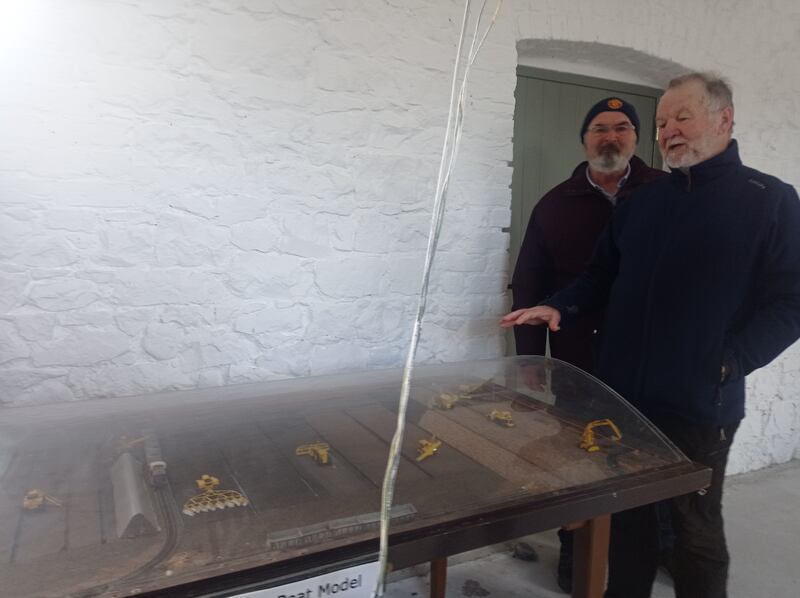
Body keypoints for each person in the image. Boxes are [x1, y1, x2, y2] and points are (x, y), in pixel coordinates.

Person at [501, 72, 800, 598]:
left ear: (724, 119)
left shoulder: (768, 201)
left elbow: (792, 301)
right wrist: (557, 305)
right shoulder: (644, 204)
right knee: (629, 523)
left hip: (699, 403)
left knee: (694, 532)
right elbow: (599, 277)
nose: (668, 131)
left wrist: (729, 361)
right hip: (623, 400)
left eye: (682, 117)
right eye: (662, 122)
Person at [510, 97, 665, 593]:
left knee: (650, 458)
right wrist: (531, 358)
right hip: (580, 359)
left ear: (637, 139)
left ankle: (649, 549)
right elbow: (529, 281)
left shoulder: (668, 194)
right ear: (584, 140)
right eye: (599, 129)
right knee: (578, 461)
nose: (610, 137)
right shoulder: (555, 204)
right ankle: (575, 558)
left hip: (649, 358)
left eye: (622, 128)